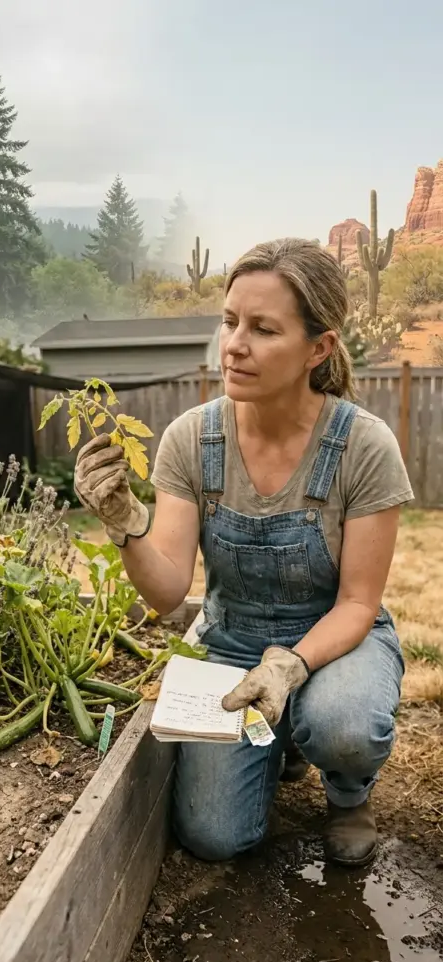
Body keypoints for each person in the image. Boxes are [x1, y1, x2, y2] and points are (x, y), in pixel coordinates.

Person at [74, 238, 413, 868]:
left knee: (342, 723)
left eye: (263, 329)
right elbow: (168, 590)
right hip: (231, 646)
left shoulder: (363, 447)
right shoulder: (192, 439)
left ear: (319, 348)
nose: (235, 344)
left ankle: (346, 790)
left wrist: (290, 664)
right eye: (230, 322)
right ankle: (279, 743)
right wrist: (125, 523)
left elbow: (359, 603)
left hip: (335, 637)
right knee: (213, 837)